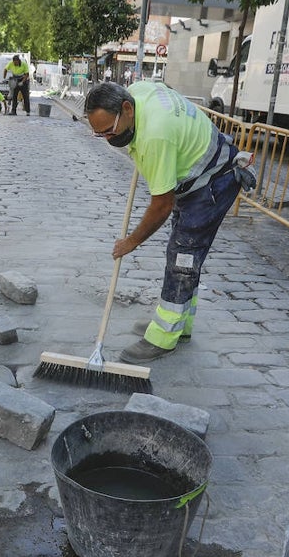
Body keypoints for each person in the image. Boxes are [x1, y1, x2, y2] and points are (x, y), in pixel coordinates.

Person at [84, 81, 255, 364]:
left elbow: (161, 206)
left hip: (212, 184)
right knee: (184, 254)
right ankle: (180, 326)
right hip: (198, 175)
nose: (106, 138)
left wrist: (131, 241)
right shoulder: (138, 92)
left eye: (109, 130)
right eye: (98, 133)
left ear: (127, 109)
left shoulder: (156, 137)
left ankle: (164, 337)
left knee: (183, 259)